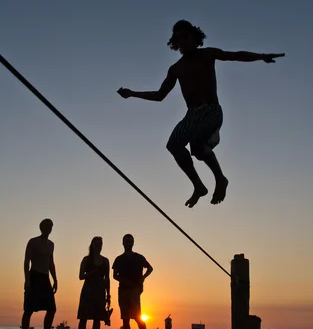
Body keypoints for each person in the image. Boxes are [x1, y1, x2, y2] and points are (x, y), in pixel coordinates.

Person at [118, 20, 285, 207]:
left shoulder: (207, 54)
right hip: (191, 115)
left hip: (211, 110)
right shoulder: (176, 69)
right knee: (174, 145)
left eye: (186, 36)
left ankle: (220, 179)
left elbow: (235, 55)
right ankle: (198, 186)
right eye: (179, 38)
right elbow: (159, 95)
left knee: (197, 145)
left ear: (195, 37)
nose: (183, 41)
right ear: (176, 43)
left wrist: (261, 56)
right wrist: (132, 93)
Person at [112, 234, 153, 329]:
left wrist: (143, 277)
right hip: (123, 290)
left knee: (137, 317)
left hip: (135, 291)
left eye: (130, 241)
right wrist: (125, 281)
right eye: (126, 241)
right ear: (123, 243)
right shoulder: (119, 259)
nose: (128, 243)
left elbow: (150, 268)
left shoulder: (139, 258)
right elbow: (115, 275)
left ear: (133, 243)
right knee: (125, 318)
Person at [21, 219, 57, 329]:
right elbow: (26, 262)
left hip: (45, 278)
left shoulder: (51, 244)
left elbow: (51, 263)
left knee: (51, 309)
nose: (48, 229)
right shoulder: (33, 242)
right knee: (28, 309)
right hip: (34, 275)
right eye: (46, 227)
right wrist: (27, 279)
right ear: (41, 228)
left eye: (50, 227)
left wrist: (55, 279)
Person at [77, 236, 111, 329]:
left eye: (100, 244)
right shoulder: (86, 259)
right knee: (83, 318)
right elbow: (81, 276)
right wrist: (91, 273)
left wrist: (108, 294)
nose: (99, 246)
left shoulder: (105, 261)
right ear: (92, 245)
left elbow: (107, 279)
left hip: (100, 291)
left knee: (97, 319)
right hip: (88, 290)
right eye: (96, 244)